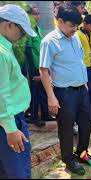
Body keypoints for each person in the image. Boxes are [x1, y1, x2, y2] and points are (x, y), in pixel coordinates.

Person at [39, 5, 91, 176]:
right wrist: (51, 97)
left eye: (76, 26)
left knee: (86, 123)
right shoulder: (50, 41)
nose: (75, 29)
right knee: (66, 128)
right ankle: (68, 159)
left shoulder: (75, 38)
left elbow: (79, 61)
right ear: (60, 21)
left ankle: (82, 154)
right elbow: (44, 71)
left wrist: (85, 83)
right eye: (72, 25)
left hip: (82, 90)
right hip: (64, 93)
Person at [0, 4, 37, 178]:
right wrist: (11, 129)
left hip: (8, 122)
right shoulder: (1, 53)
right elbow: (1, 94)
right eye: (21, 31)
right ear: (9, 25)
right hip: (9, 123)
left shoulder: (5, 48)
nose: (22, 36)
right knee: (18, 173)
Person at [76, 14, 91, 127]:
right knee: (86, 93)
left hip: (89, 66)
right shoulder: (78, 35)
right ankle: (86, 118)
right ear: (84, 23)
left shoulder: (88, 34)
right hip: (82, 68)